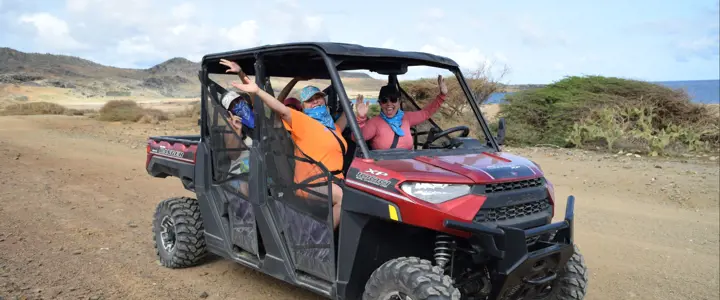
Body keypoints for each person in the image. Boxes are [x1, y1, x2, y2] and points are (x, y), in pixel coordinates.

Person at [229, 67, 347, 229]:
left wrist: (354, 110)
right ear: (303, 108)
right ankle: (320, 239)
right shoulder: (302, 123)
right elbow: (279, 108)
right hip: (310, 184)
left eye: (319, 98)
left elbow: (344, 122)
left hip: (335, 180)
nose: (316, 102)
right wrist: (255, 87)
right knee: (344, 198)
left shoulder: (331, 128)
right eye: (310, 100)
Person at [354, 75, 448, 150]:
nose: (389, 104)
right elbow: (356, 139)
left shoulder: (406, 117)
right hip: (384, 169)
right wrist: (360, 118)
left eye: (393, 100)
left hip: (407, 167)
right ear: (379, 103)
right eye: (384, 100)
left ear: (399, 102)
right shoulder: (374, 123)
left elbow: (426, 113)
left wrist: (442, 96)